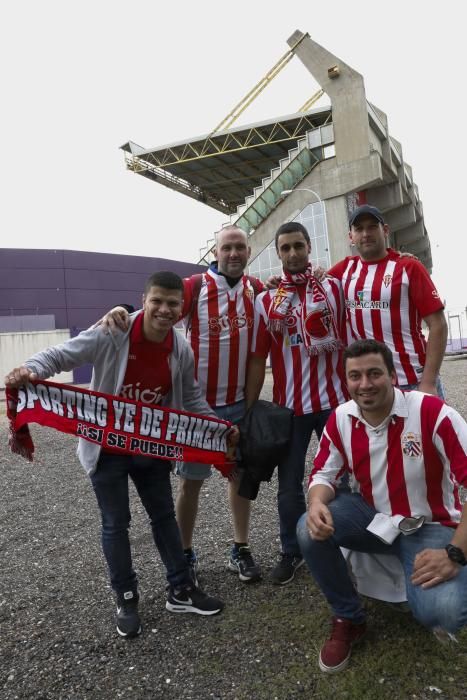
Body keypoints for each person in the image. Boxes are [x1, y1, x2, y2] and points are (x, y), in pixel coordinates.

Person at [5, 271, 229, 639]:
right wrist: (32, 370)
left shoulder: (180, 348)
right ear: (143, 300)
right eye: (157, 300)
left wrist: (218, 428)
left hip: (150, 448)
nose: (164, 309)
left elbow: (190, 398)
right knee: (115, 523)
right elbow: (62, 354)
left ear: (181, 308)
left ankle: (181, 589)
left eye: (173, 304)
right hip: (107, 448)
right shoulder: (115, 331)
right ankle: (126, 597)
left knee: (164, 518)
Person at [100, 226, 264, 583]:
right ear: (216, 253)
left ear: (249, 251)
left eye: (240, 247)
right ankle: (185, 552)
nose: (233, 254)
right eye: (227, 248)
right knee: (191, 482)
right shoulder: (196, 286)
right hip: (195, 410)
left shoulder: (257, 291)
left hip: (236, 406)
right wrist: (123, 308)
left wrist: (250, 409)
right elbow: (158, 310)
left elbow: (260, 349)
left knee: (238, 478)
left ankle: (241, 547)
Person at [296, 339, 467, 673]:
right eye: (355, 376)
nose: (365, 384)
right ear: (346, 381)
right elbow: (323, 473)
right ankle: (348, 616)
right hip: (371, 517)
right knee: (306, 527)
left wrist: (456, 553)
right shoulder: (342, 417)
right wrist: (316, 502)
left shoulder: (433, 413)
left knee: (444, 612)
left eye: (374, 373)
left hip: (429, 525)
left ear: (392, 375)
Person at [246, 221, 348, 585]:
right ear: (278, 253)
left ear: (309, 248)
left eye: (298, 246)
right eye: (285, 248)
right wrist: (249, 405)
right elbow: (258, 357)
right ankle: (292, 551)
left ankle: (347, 543)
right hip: (290, 408)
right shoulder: (265, 300)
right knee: (289, 486)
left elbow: (350, 341)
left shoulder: (334, 288)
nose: (292, 253)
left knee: (344, 478)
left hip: (335, 403)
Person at [328, 204, 447, 395]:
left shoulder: (409, 267)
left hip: (413, 382)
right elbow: (309, 285)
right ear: (351, 237)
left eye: (372, 227)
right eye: (359, 229)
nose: (366, 233)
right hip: (371, 387)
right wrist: (267, 283)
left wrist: (429, 381)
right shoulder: (345, 269)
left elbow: (438, 324)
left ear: (385, 230)